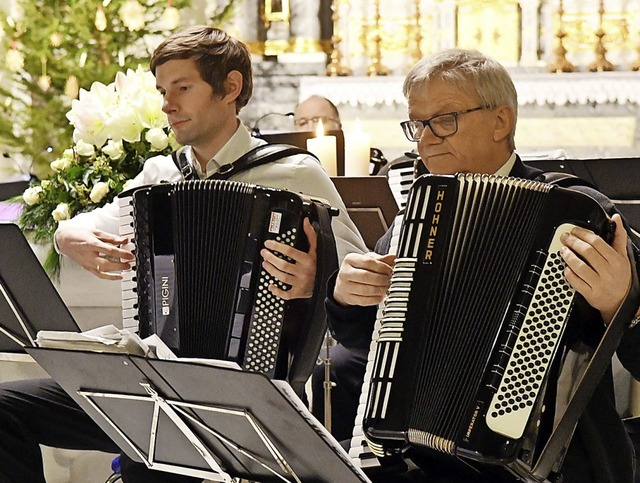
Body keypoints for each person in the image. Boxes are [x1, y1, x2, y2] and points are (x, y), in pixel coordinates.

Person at [0, 26, 366, 483]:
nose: (167, 104)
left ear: (230, 88)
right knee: (4, 410)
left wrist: (320, 278)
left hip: (254, 399)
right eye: (162, 91)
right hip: (153, 387)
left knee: (156, 463)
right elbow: (84, 224)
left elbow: (360, 277)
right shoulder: (160, 174)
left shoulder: (293, 174)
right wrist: (67, 237)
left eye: (182, 88)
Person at [325, 48, 640, 482]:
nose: (425, 138)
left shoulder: (577, 214)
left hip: (549, 462)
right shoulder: (417, 217)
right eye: (417, 123)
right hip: (423, 455)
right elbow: (364, 345)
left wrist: (621, 304)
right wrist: (347, 297)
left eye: (445, 119)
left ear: (501, 122)